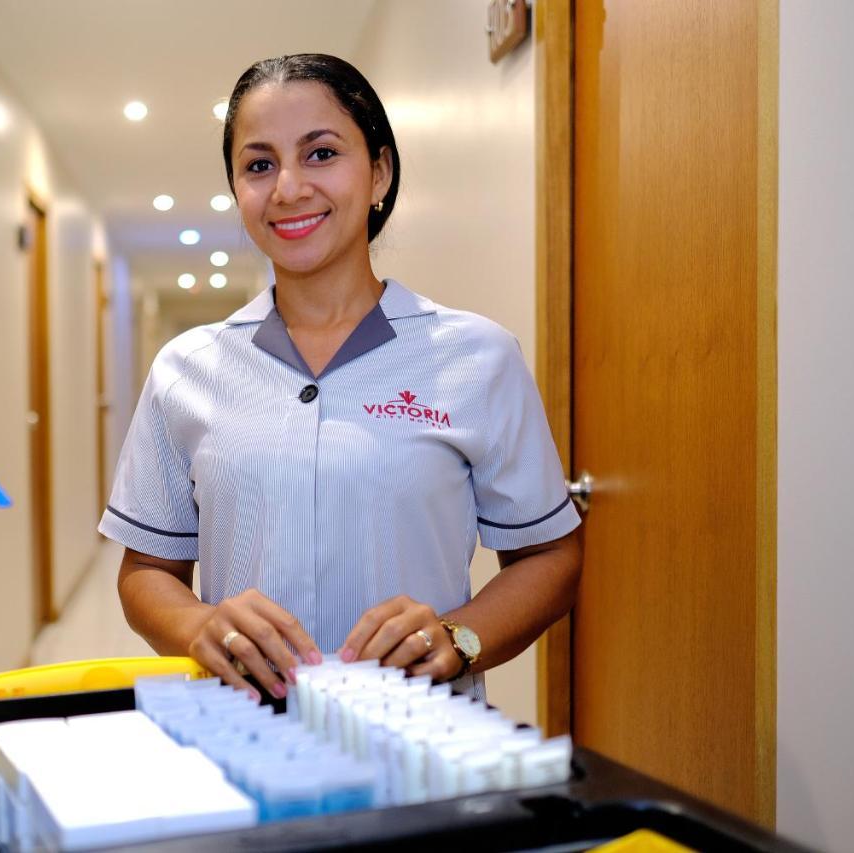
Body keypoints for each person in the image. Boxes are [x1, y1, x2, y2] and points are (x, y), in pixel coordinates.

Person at [99, 54, 581, 704]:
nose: (289, 187)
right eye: (259, 164)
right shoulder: (186, 370)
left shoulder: (477, 357)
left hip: (423, 744)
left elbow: (552, 558)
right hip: (244, 732)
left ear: (379, 171)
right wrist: (198, 625)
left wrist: (458, 636)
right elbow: (147, 570)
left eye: (321, 153)